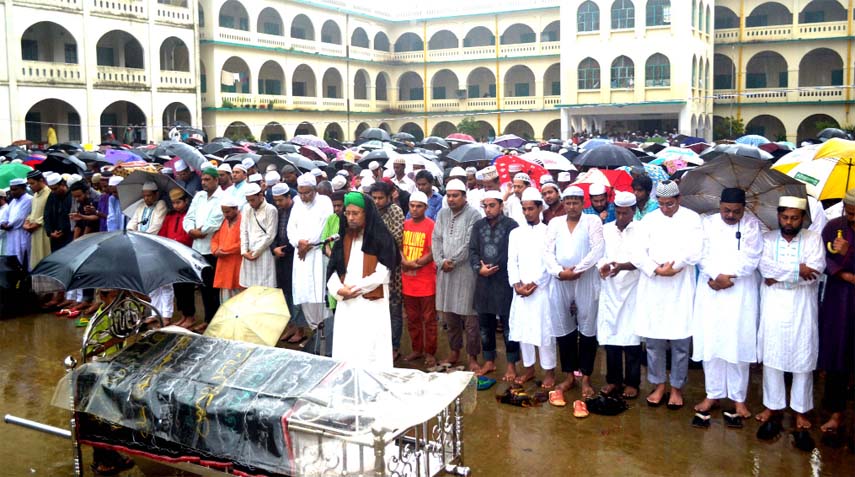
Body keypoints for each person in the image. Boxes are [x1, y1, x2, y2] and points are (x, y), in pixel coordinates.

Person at [755, 196, 825, 450]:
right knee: (773, 356)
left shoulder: (813, 239)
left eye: (794, 218)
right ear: (779, 216)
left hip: (802, 308)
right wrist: (798, 270)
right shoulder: (767, 238)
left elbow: (815, 271)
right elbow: (766, 270)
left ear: (803, 218)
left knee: (802, 358)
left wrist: (785, 273)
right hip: (773, 305)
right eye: (785, 217)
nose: (789, 222)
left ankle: (800, 410)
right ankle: (772, 406)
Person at [691, 188, 763, 427]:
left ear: (744, 208)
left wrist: (728, 276)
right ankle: (713, 394)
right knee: (712, 340)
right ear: (719, 205)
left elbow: (752, 258)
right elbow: (701, 253)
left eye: (736, 211)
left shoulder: (752, 225)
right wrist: (714, 276)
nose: (730, 215)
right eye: (726, 210)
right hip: (711, 288)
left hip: (740, 290)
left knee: (738, 342)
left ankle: (738, 398)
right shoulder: (707, 223)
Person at [632, 180, 703, 410]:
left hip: (680, 285)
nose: (665, 208)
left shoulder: (692, 218)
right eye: (661, 204)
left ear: (679, 199)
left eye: (670, 204)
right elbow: (637, 252)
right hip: (654, 286)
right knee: (654, 341)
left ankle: (677, 388)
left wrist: (678, 266)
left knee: (681, 341)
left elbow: (697, 249)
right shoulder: (649, 220)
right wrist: (655, 269)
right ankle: (659, 384)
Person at [546, 185, 605, 402]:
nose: (571, 206)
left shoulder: (593, 221)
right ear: (564, 203)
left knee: (588, 327)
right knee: (563, 327)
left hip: (586, 279)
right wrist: (560, 272)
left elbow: (598, 249)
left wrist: (578, 270)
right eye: (568, 202)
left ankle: (586, 377)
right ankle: (570, 375)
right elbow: (547, 252)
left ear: (583, 203)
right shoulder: (554, 223)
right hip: (561, 280)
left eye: (576, 202)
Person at [327, 191, 399, 368]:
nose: (351, 218)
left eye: (355, 213)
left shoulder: (381, 239)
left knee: (370, 351)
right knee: (346, 349)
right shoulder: (342, 240)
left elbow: (383, 274)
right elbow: (332, 271)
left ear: (366, 214)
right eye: (348, 213)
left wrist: (353, 289)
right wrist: (338, 290)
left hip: (371, 305)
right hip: (346, 304)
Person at [468, 190, 519, 380]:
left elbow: (514, 253)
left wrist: (497, 266)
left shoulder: (512, 226)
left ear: (501, 205)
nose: (488, 210)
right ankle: (489, 361)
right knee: (485, 325)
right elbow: (472, 250)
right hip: (483, 281)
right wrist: (478, 268)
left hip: (504, 281)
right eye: (485, 206)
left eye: (492, 205)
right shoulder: (478, 225)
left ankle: (512, 365)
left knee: (508, 326)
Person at [507, 188, 556, 386]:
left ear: (540, 208)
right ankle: (529, 369)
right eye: (524, 209)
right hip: (520, 291)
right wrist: (516, 284)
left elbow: (550, 263)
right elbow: (512, 260)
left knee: (544, 332)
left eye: (531, 209)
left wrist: (535, 284)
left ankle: (550, 372)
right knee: (523, 330)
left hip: (542, 290)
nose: (527, 213)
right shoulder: (516, 233)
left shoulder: (549, 232)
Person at [596, 191, 642, 400]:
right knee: (611, 335)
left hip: (633, 289)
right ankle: (613, 380)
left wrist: (621, 266)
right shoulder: (605, 229)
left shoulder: (642, 230)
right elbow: (598, 255)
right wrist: (603, 267)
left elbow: (642, 260)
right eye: (619, 213)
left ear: (634, 211)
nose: (622, 218)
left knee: (632, 337)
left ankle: (632, 382)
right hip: (610, 288)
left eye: (626, 213)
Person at [818, 189, 855, 442]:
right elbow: (823, 259)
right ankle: (836, 413)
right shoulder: (835, 226)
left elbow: (842, 256)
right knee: (838, 356)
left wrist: (848, 253)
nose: (851, 218)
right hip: (840, 300)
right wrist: (843, 273)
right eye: (849, 212)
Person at [433, 179, 482, 371]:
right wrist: (440, 261)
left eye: (455, 195)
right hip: (445, 273)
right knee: (450, 317)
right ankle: (454, 352)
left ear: (464, 196)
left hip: (465, 273)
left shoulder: (474, 215)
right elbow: (436, 239)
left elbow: (470, 243)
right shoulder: (443, 214)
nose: (451, 199)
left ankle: (472, 357)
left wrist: (452, 261)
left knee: (470, 319)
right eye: (449, 195)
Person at [288, 172, 334, 331]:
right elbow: (290, 228)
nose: (303, 196)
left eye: (307, 192)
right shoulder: (296, 204)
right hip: (300, 256)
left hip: (317, 254)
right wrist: (298, 243)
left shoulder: (324, 202)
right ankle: (314, 330)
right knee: (304, 292)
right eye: (300, 192)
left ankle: (326, 332)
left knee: (320, 292)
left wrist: (307, 245)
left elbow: (323, 228)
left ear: (315, 190)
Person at [401, 191, 438, 366]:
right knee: (412, 318)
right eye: (412, 206)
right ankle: (417, 349)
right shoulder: (405, 224)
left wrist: (417, 263)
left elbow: (433, 251)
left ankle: (430, 352)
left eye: (419, 206)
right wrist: (404, 261)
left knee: (429, 319)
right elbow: (399, 246)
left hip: (426, 281)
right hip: (407, 281)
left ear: (426, 207)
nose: (414, 209)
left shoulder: (431, 225)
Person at [183, 168, 225, 323]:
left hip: (211, 248)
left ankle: (212, 321)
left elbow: (216, 221)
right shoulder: (199, 196)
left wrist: (201, 231)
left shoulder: (223, 197)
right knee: (202, 287)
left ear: (216, 180)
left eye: (207, 179)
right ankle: (207, 319)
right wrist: (190, 230)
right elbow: (189, 217)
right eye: (203, 180)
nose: (204, 183)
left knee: (212, 288)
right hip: (197, 247)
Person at [370, 181, 405, 360]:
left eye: (380, 198)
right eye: (374, 198)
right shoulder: (371, 212)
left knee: (394, 309)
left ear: (389, 197)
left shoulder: (395, 211)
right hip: (373, 267)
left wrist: (375, 240)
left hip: (392, 270)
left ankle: (394, 346)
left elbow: (396, 238)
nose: (377, 201)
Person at [158, 188, 196, 328]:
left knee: (187, 286)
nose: (176, 206)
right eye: (174, 203)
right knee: (177, 286)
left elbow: (188, 236)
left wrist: (174, 241)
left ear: (186, 201)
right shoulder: (170, 216)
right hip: (171, 254)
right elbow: (162, 233)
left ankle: (190, 316)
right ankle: (183, 315)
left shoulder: (191, 215)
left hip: (186, 254)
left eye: (179, 202)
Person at [270, 183, 303, 342]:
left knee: (295, 292)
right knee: (284, 292)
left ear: (289, 197)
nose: (278, 203)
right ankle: (291, 325)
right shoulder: (278, 211)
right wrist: (274, 248)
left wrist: (285, 250)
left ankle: (300, 329)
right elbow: (273, 233)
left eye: (281, 200)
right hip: (280, 257)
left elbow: (297, 235)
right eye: (276, 200)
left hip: (293, 256)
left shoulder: (297, 211)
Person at [239, 183, 277, 288]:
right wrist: (244, 251)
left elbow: (270, 235)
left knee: (265, 289)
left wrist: (255, 253)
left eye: (252, 200)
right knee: (249, 288)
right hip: (248, 253)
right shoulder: (246, 208)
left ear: (260, 196)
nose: (250, 203)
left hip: (264, 253)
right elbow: (244, 230)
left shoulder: (271, 209)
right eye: (248, 200)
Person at [211, 195, 243, 304]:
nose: (225, 215)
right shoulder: (223, 221)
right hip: (223, 264)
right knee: (225, 299)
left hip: (237, 263)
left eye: (228, 212)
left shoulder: (243, 221)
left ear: (235, 209)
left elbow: (243, 243)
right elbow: (215, 239)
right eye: (223, 212)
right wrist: (215, 250)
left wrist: (225, 250)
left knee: (238, 297)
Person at [0, 179, 32, 268]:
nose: (12, 192)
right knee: (12, 259)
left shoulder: (28, 199)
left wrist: (8, 225)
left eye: (15, 190)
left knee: (23, 259)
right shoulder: (13, 201)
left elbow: (19, 218)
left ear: (23, 188)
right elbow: (6, 215)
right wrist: (3, 223)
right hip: (11, 235)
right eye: (11, 190)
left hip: (21, 233)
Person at [43, 173, 73, 252]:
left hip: (68, 235)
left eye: (55, 189)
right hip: (54, 236)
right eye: (51, 189)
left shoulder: (71, 196)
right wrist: (50, 232)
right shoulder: (52, 195)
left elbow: (71, 216)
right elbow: (47, 214)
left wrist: (63, 230)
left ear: (62, 184)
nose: (53, 191)